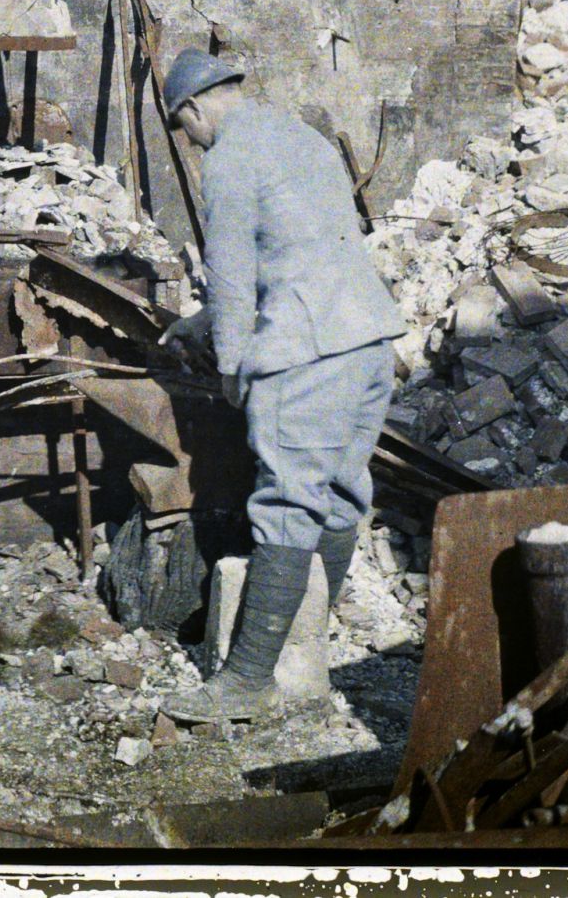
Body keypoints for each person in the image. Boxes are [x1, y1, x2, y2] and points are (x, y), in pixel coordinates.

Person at [155, 49, 405, 722]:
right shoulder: (301, 136)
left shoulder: (230, 157)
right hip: (369, 338)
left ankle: (246, 683)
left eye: (185, 128)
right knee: (342, 491)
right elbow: (304, 248)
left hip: (308, 353)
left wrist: (235, 366)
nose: (191, 140)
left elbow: (234, 272)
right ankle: (305, 653)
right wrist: (199, 321)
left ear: (197, 108)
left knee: (287, 503)